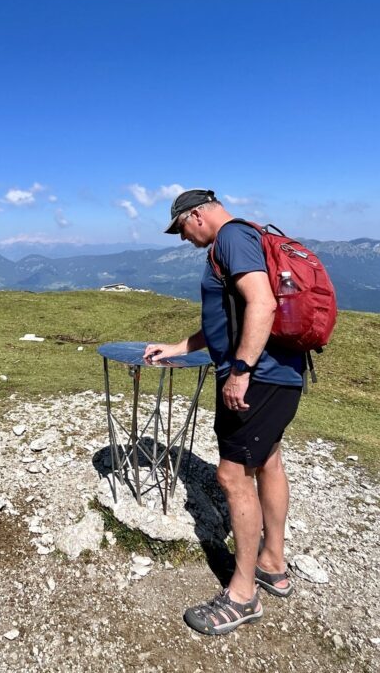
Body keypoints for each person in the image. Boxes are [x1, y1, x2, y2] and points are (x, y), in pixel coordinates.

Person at [144, 189, 305, 636]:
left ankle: (242, 595)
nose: (183, 239)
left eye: (181, 229)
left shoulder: (230, 239)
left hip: (257, 378)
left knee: (232, 477)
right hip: (281, 377)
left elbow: (262, 303)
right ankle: (272, 563)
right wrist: (180, 347)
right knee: (268, 460)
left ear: (196, 215)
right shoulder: (248, 236)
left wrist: (240, 371)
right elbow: (228, 315)